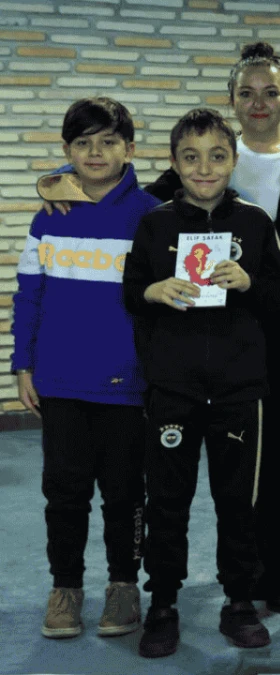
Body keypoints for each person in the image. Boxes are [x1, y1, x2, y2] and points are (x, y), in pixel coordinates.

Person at [122, 108, 280, 658]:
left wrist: (248, 281)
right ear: (173, 163)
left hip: (241, 388)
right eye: (190, 157)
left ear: (233, 160)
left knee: (237, 501)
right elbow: (131, 292)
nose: (204, 168)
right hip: (173, 387)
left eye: (217, 156)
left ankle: (239, 600)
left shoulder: (255, 223)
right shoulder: (154, 224)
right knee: (168, 499)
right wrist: (154, 291)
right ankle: (164, 602)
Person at [14, 97, 161, 640]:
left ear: (129, 147)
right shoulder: (48, 213)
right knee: (65, 492)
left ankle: (123, 586)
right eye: (82, 143)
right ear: (66, 151)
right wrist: (22, 363)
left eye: (107, 141)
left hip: (127, 383)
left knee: (125, 493)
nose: (95, 153)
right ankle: (66, 587)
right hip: (58, 380)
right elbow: (28, 295)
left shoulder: (150, 213)